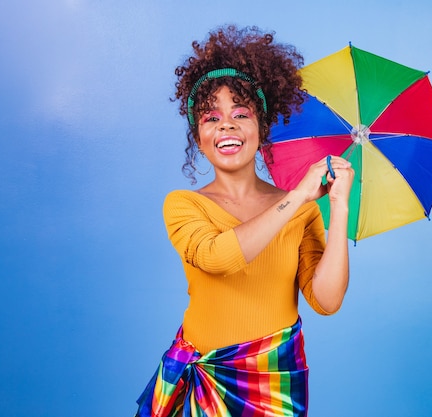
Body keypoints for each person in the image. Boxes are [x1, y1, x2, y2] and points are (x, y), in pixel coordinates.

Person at [135, 25, 354, 417]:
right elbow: (218, 258)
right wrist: (299, 195)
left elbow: (327, 300)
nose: (226, 125)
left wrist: (338, 206)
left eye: (241, 113)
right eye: (211, 117)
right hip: (199, 380)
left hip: (274, 381)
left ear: (261, 126)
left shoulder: (300, 208)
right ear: (198, 135)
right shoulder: (184, 205)